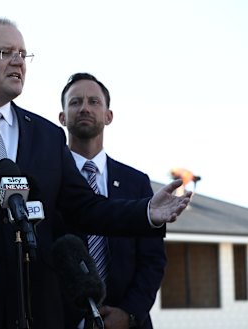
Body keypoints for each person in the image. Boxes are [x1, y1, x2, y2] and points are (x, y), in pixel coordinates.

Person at [0, 17, 190, 329]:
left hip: (37, 311)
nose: (18, 61)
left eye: (22, 54)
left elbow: (85, 208)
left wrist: (146, 211)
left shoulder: (47, 136)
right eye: (5, 53)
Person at [58, 72, 166, 329]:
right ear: (62, 117)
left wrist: (128, 313)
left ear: (109, 116)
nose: (84, 108)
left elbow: (153, 260)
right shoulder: (50, 179)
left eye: (94, 102)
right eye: (75, 102)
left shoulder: (136, 182)